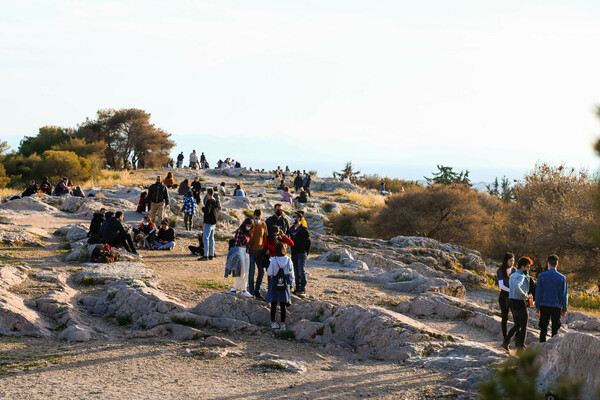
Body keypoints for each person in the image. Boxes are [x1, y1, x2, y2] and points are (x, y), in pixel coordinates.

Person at [502, 256, 533, 352]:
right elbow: (516, 286)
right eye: (528, 267)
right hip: (520, 302)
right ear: (523, 267)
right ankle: (521, 348)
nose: (529, 269)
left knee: (517, 325)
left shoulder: (513, 275)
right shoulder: (521, 276)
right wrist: (524, 295)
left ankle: (506, 342)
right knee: (524, 326)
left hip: (512, 302)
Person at [535, 254, 568, 342]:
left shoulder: (542, 276)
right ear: (557, 264)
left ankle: (542, 346)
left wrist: (537, 306)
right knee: (555, 329)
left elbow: (538, 293)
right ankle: (553, 346)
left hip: (544, 305)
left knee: (543, 328)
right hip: (556, 306)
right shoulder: (562, 278)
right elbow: (564, 295)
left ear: (548, 264)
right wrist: (564, 308)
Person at [266, 242, 295, 330]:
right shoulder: (288, 260)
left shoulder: (273, 259)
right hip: (285, 283)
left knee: (274, 303)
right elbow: (291, 273)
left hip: (275, 282)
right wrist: (291, 283)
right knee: (283, 304)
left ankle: (273, 322)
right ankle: (283, 324)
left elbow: (269, 272)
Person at [229, 218, 253, 297]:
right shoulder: (240, 231)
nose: (249, 227)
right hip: (240, 251)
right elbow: (236, 243)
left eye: (250, 226)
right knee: (242, 272)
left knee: (246, 272)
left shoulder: (248, 232)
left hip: (246, 252)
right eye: (248, 225)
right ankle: (236, 287)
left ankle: (243, 289)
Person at [248, 209, 268, 299]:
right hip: (251, 252)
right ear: (254, 216)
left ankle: (257, 290)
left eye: (259, 218)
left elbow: (266, 237)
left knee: (261, 271)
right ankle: (251, 291)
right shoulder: (250, 224)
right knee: (251, 272)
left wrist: (266, 249)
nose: (258, 219)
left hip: (260, 252)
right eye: (256, 218)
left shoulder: (263, 224)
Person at [289, 211, 310, 295]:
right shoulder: (291, 229)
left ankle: (303, 288)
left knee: (301, 270)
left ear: (299, 219)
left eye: (295, 217)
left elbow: (308, 242)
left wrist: (305, 253)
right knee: (296, 271)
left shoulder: (304, 230)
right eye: (293, 216)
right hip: (294, 253)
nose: (293, 218)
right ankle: (297, 288)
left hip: (301, 253)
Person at [496, 253, 516, 341]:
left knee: (516, 318)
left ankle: (516, 339)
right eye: (510, 261)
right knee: (505, 317)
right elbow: (501, 286)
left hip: (513, 297)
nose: (512, 262)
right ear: (506, 261)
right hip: (504, 297)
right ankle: (505, 338)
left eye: (513, 261)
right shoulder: (500, 271)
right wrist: (512, 290)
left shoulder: (515, 270)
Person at [199, 188, 219, 261]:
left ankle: (205, 255)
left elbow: (207, 211)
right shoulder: (215, 201)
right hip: (213, 222)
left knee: (206, 238)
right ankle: (211, 254)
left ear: (208, 194)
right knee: (211, 238)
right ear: (213, 194)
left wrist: (203, 208)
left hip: (208, 222)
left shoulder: (209, 201)